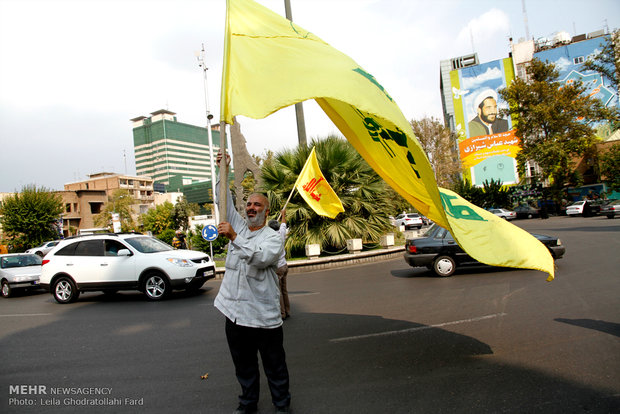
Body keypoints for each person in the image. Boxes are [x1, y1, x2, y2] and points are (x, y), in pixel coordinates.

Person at [215, 151, 291, 414]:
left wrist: (235, 237)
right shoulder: (239, 224)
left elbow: (259, 259)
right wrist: (222, 170)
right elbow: (222, 199)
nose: (251, 208)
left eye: (257, 205)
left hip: (263, 317)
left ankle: (282, 406)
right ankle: (247, 404)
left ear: (266, 210)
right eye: (248, 204)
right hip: (235, 316)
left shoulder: (272, 237)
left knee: (274, 365)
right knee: (243, 365)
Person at [269, 209, 290, 320]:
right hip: (285, 265)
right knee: (284, 290)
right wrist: (283, 214)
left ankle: (282, 313)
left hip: (277, 268)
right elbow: (283, 223)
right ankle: (288, 310)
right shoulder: (281, 233)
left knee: (278, 292)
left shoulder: (270, 238)